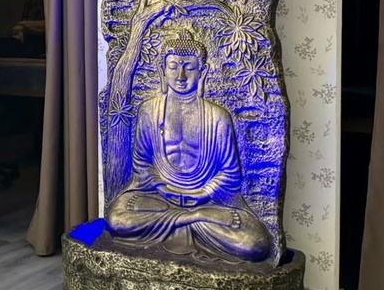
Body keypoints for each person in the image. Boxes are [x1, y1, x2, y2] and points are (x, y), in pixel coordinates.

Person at [106, 30, 272, 262]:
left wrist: (203, 194)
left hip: (208, 201)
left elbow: (230, 174)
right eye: (173, 67)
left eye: (189, 68)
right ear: (163, 70)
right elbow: (142, 164)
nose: (181, 76)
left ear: (202, 71)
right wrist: (163, 189)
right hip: (158, 197)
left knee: (255, 243)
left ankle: (186, 218)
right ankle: (191, 219)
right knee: (116, 220)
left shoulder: (218, 117)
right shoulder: (149, 111)